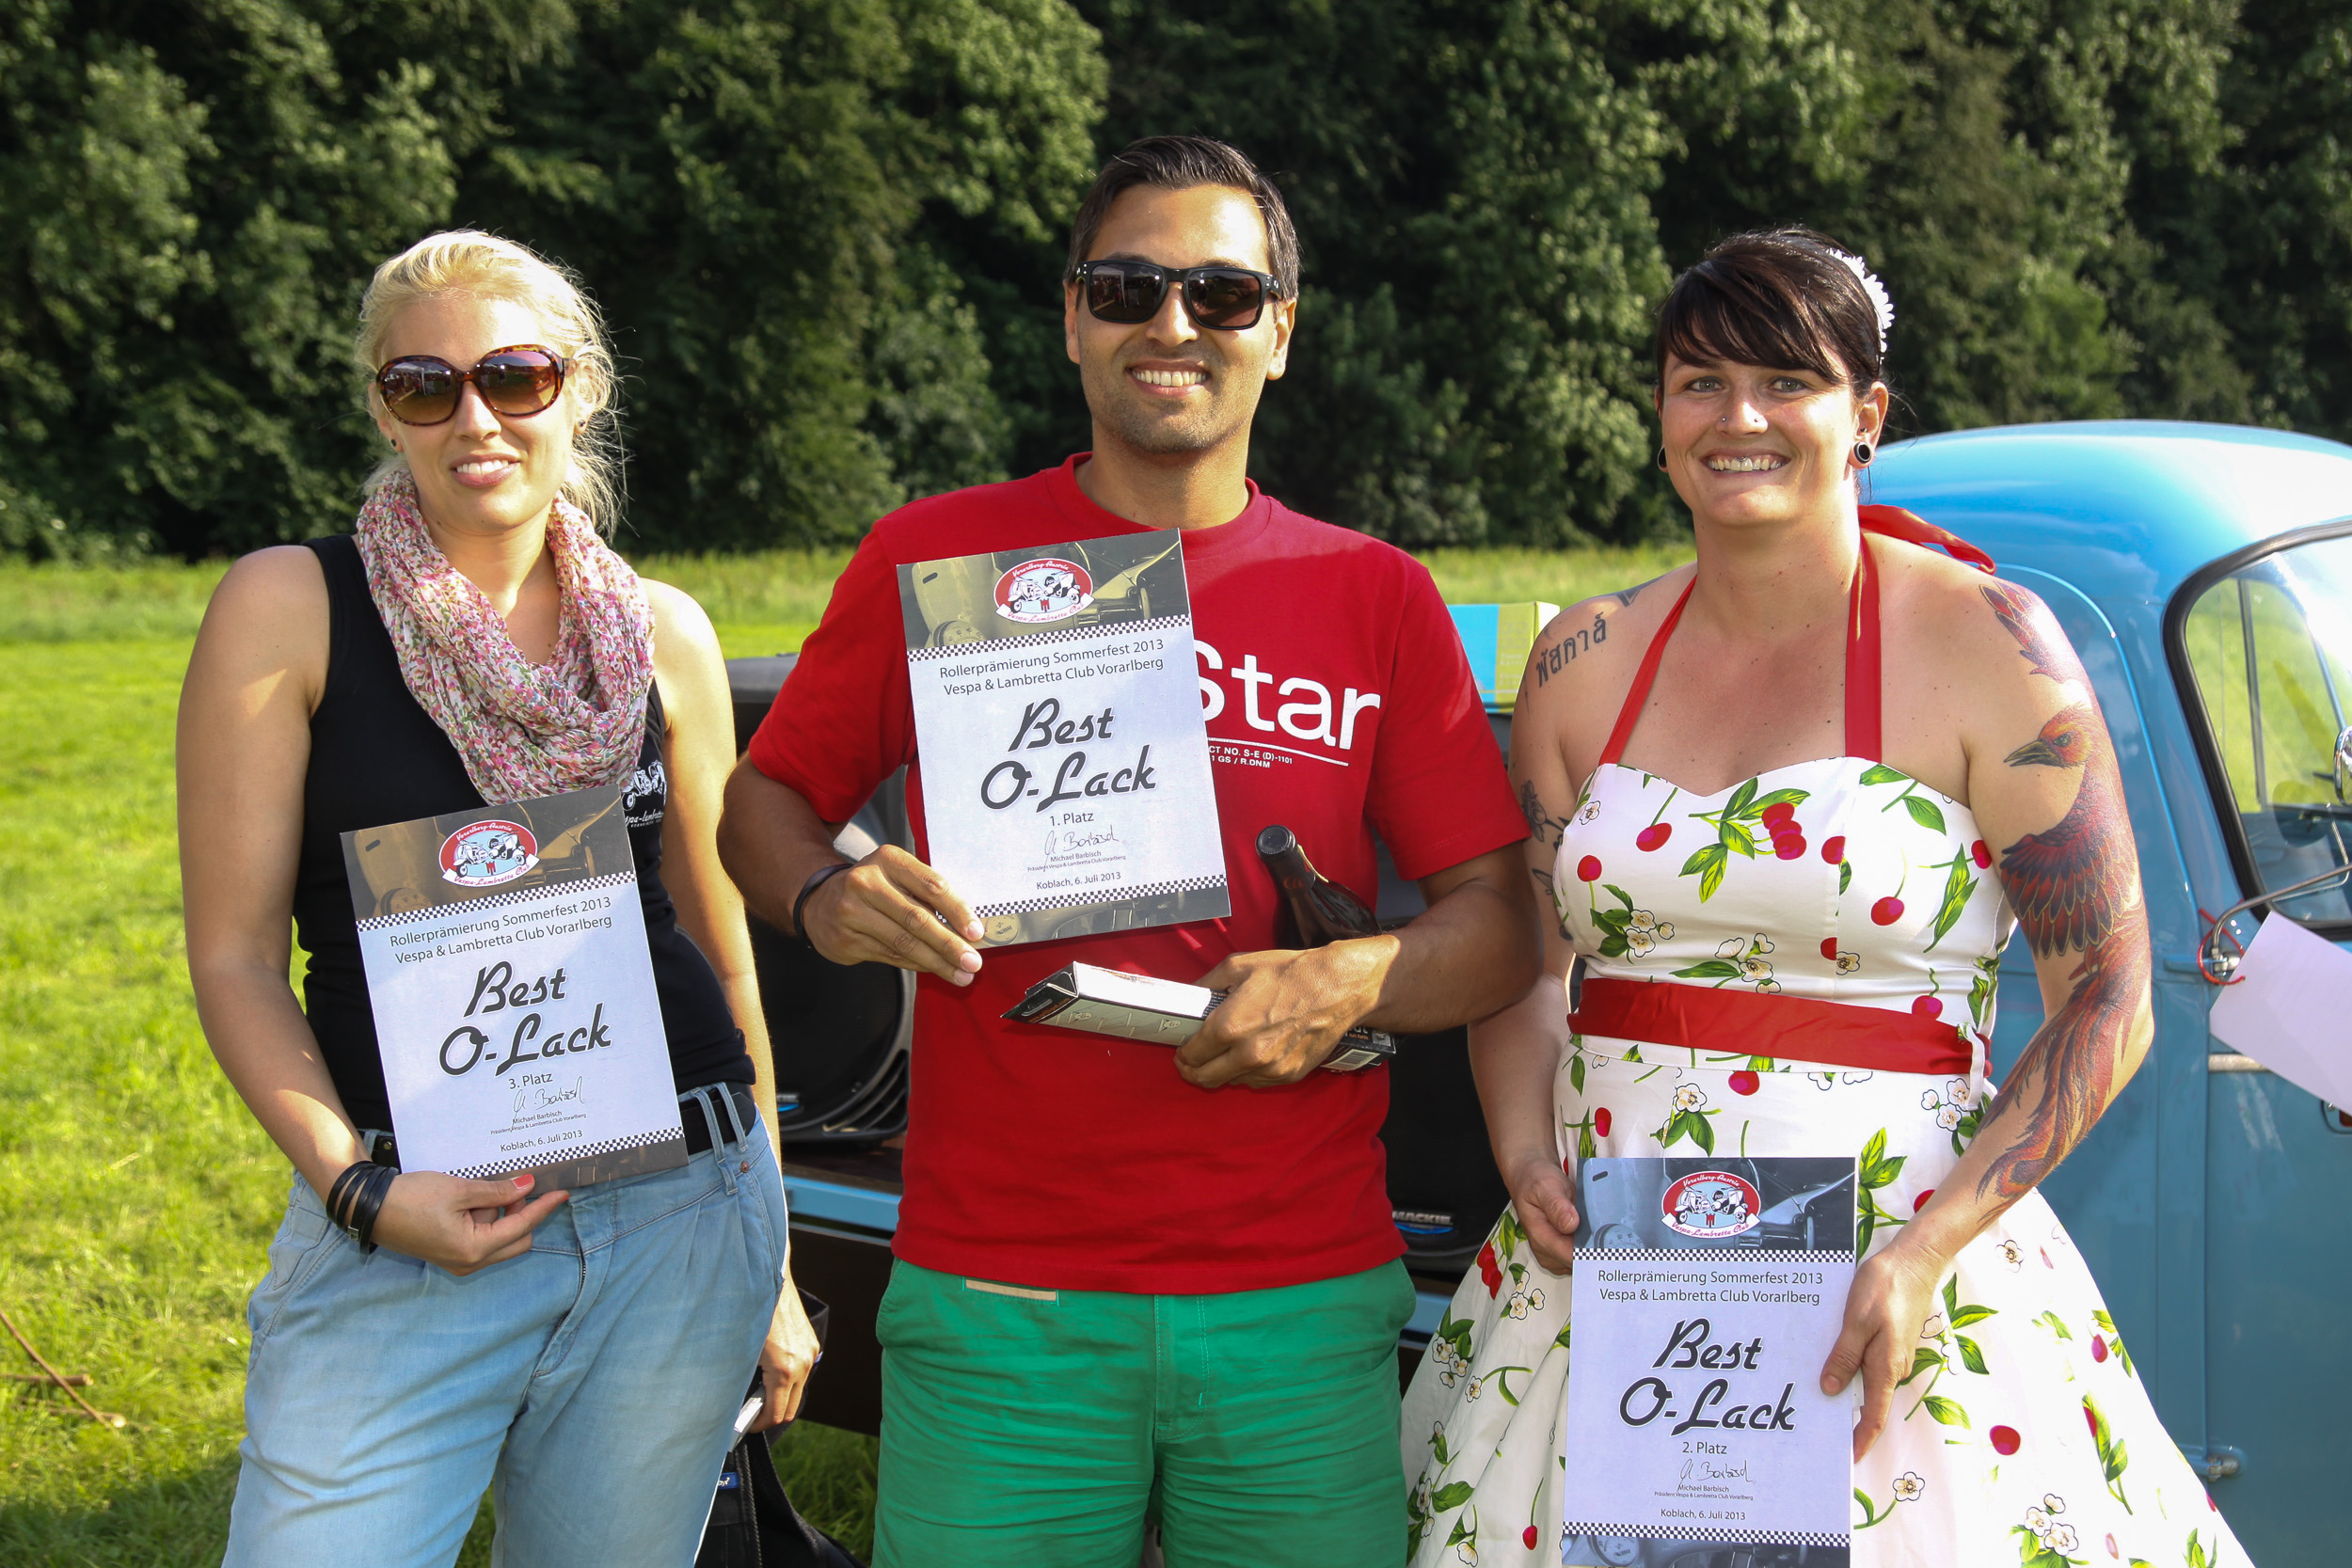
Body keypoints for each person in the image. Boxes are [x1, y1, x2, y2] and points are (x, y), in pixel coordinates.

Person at [719, 135, 1538, 1567]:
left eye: (1222, 294)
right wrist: (826, 890)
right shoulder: (937, 560)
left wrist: (1349, 979)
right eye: (1127, 287)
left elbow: (1498, 926)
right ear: (1073, 317)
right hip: (1002, 1297)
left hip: (1297, 1298)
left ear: (1280, 332)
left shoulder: (1374, 595)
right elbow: (762, 803)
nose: (1172, 323)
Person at [1402, 229, 2250, 1567]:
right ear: (1661, 417)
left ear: (1865, 414)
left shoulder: (1988, 643)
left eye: (1784, 382)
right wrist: (1523, 1158)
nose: (1738, 418)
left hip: (1895, 1272)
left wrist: (1925, 1253)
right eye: (1700, 382)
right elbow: (1530, 963)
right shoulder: (1582, 657)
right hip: (1613, 1282)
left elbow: (2112, 996)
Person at [179, 230, 819, 1567]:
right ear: (384, 409)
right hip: (410, 1215)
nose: (475, 418)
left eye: (514, 377)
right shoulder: (290, 606)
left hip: (682, 1216)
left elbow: (725, 957)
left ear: (580, 390)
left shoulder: (665, 631)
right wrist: (359, 1193)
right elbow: (234, 958)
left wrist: (772, 1260)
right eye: (426, 386)